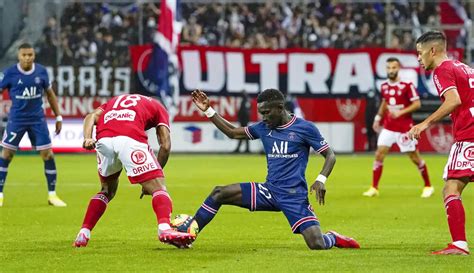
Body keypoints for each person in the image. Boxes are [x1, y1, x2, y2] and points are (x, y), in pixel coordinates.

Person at [177, 88, 360, 250]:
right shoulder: (264, 128)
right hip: (269, 191)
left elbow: (330, 155)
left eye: (266, 112)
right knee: (219, 193)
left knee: (316, 244)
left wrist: (321, 179)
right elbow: (232, 132)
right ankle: (188, 235)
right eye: (260, 113)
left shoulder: (305, 128)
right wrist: (208, 110)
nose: (263, 117)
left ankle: (333, 237)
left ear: (280, 108)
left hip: (294, 196)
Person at [74, 94, 195, 248]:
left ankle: (84, 232)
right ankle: (164, 229)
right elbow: (165, 145)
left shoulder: (114, 102)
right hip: (129, 138)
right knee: (159, 188)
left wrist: (87, 138)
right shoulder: (159, 107)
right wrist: (152, 176)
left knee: (106, 191)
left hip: (103, 140)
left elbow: (90, 116)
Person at [409, 30, 473, 255]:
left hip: (469, 137)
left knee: (451, 188)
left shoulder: (442, 70)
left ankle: (459, 245)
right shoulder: (463, 67)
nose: (419, 58)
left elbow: (453, 100)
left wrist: (424, 124)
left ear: (432, 51)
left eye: (420, 53)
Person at [0, 43, 66, 207]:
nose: (27, 58)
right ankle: (0, 195)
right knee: (6, 155)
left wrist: (58, 116)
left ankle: (52, 195)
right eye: (24, 55)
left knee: (48, 155)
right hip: (17, 120)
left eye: (30, 54)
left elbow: (50, 95)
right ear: (19, 56)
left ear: (34, 55)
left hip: (38, 120)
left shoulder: (41, 71)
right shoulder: (10, 73)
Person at [363, 57, 434, 198]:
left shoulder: (407, 85)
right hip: (389, 127)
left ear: (398, 68)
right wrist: (378, 118)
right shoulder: (384, 86)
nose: (391, 70)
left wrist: (400, 112)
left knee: (414, 157)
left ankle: (428, 186)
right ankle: (374, 187)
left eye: (394, 68)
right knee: (379, 154)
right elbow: (385, 102)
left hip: (404, 128)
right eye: (388, 68)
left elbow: (417, 104)